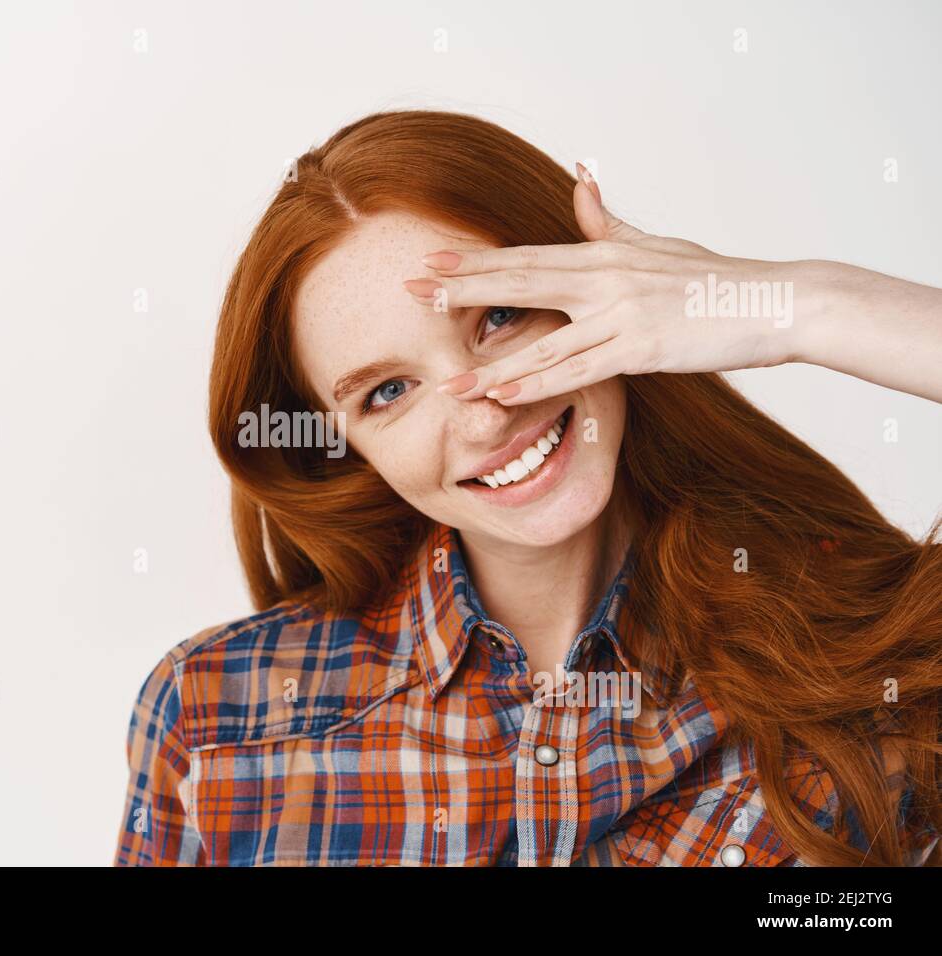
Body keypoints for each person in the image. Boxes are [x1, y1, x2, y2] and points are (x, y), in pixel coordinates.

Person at [115, 109, 942, 866]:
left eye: (500, 318)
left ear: (604, 294)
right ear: (347, 450)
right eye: (387, 393)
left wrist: (797, 308)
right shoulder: (215, 721)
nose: (482, 417)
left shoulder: (868, 660)